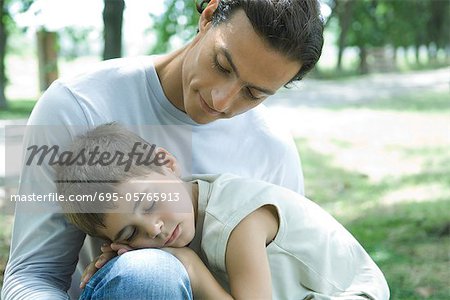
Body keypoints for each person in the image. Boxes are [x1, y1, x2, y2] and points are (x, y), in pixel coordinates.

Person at [2, 0, 324, 299]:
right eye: (222, 65)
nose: (221, 100)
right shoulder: (78, 107)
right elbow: (32, 274)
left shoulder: (272, 149)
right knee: (150, 275)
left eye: (253, 94)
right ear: (208, 16)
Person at [56, 123, 390, 300]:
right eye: (130, 234)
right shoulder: (184, 211)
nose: (154, 228)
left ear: (167, 164)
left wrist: (190, 266)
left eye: (148, 202)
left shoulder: (238, 218)